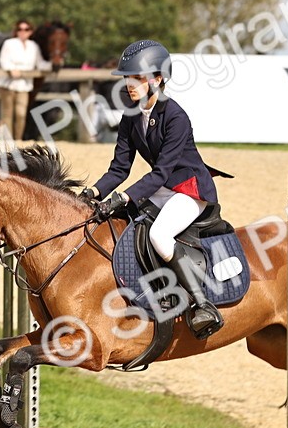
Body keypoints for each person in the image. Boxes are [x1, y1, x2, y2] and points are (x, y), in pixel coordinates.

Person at [81, 39, 229, 340]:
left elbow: (162, 171)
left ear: (157, 79)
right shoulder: (131, 116)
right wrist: (93, 193)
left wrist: (124, 196)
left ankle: (202, 305)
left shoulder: (175, 117)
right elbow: (119, 169)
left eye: (136, 77)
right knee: (120, 223)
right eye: (127, 78)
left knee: (159, 235)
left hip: (189, 190)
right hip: (162, 189)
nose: (129, 84)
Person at [0, 20, 51, 141]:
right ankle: (8, 142)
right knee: (7, 115)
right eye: (20, 29)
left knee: (21, 114)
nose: (23, 32)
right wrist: (11, 69)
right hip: (7, 84)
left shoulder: (33, 46)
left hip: (24, 85)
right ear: (16, 31)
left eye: (26, 29)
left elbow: (40, 63)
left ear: (30, 32)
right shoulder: (9, 43)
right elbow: (3, 60)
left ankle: (18, 140)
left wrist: (52, 65)